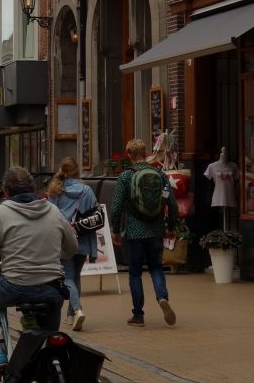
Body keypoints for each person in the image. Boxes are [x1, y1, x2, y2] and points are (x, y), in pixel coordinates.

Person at [0, 167, 77, 371]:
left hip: (15, 287)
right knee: (48, 339)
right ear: (33, 189)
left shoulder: (0, 213)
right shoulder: (52, 210)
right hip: (52, 289)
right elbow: (71, 249)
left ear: (6, 192)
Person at [110, 137, 179, 327]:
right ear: (146, 153)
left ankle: (138, 315)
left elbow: (116, 207)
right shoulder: (160, 174)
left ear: (129, 155)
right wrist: (171, 227)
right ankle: (162, 297)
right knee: (156, 267)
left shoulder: (125, 176)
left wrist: (116, 230)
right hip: (156, 230)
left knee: (134, 273)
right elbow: (172, 204)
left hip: (133, 232)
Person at [47, 157, 98, 331]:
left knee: (67, 277)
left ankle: (77, 310)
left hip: (64, 240)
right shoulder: (87, 191)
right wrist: (93, 249)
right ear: (78, 172)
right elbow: (93, 217)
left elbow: (50, 217)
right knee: (75, 276)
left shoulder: (55, 190)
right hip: (83, 239)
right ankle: (70, 316)